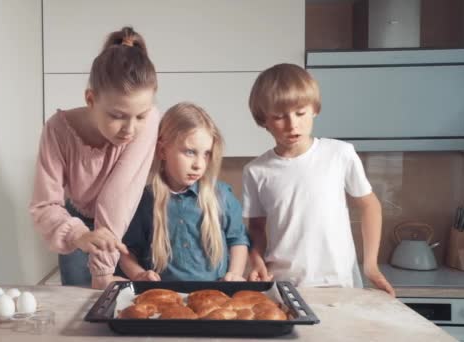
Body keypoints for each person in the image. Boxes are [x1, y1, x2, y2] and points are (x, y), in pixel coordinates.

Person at [242, 63, 395, 296]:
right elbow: (256, 227)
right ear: (264, 120)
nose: (293, 124)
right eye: (279, 117)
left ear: (315, 109)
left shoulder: (340, 153)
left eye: (300, 113)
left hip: (339, 281)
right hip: (283, 284)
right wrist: (255, 258)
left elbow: (370, 206)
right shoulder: (256, 171)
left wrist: (371, 265)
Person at [29, 27, 159, 289]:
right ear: (90, 99)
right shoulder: (56, 129)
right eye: (117, 116)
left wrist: (102, 274)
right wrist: (79, 235)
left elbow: (118, 199)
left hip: (127, 224)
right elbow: (44, 205)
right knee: (76, 305)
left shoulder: (151, 121)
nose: (130, 129)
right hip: (76, 222)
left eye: (140, 116)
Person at [118, 102, 250, 281]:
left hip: (216, 296)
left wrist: (234, 274)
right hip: (165, 298)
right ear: (163, 150)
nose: (199, 164)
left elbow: (238, 240)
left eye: (206, 154)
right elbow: (127, 251)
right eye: (190, 152)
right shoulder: (145, 201)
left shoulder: (222, 196)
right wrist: (139, 275)